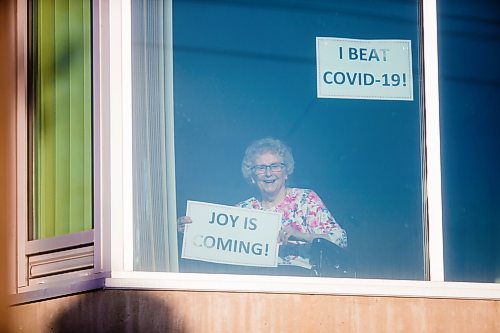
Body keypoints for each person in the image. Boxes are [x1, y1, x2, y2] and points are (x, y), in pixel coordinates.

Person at [178, 137, 347, 270]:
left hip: (300, 282)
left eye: (275, 166)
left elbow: (340, 240)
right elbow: (217, 242)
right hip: (255, 283)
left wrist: (301, 235)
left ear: (286, 172)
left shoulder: (306, 199)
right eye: (260, 168)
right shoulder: (243, 210)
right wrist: (192, 230)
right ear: (252, 176)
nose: (268, 173)